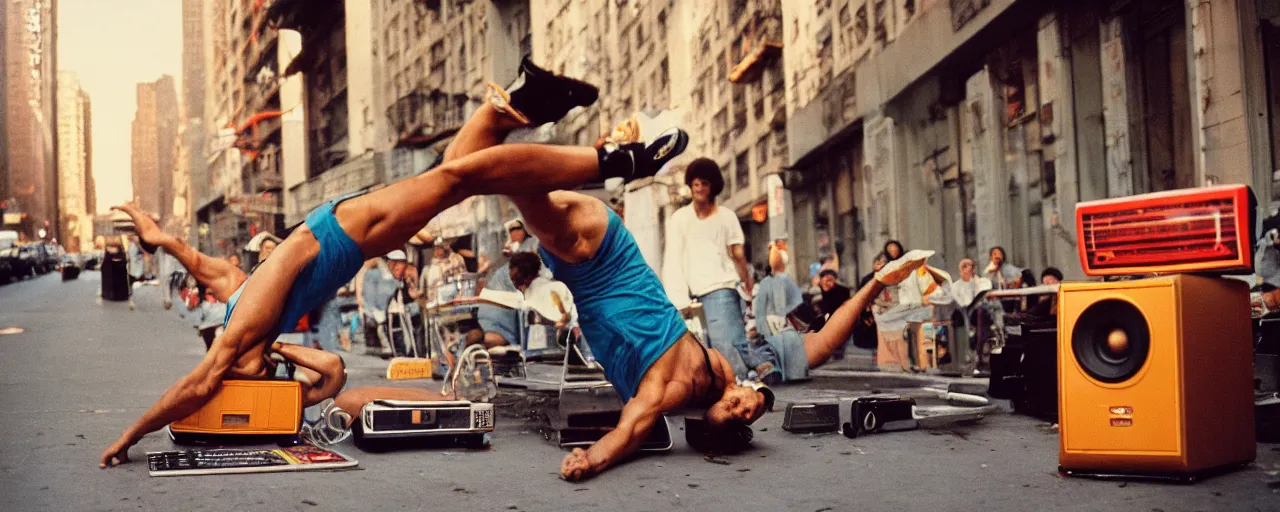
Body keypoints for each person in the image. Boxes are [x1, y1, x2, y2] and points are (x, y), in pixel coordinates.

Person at [98, 56, 683, 468]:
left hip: (346, 230)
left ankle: (615, 159)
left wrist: (133, 432)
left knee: (459, 177)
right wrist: (160, 239)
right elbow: (324, 366)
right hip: (348, 235)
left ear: (229, 369)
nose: (261, 383)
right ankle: (517, 104)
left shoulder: (239, 332)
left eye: (243, 381)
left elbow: (195, 387)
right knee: (454, 175)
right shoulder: (247, 312)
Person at [664, 158, 758, 379]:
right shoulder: (679, 219)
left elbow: (738, 255)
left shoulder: (727, 217)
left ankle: (742, 389)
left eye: (704, 183)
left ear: (713, 186)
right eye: (695, 183)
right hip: (691, 296)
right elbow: (673, 259)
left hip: (721, 290)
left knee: (728, 350)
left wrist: (747, 286)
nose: (698, 187)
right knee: (698, 355)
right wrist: (677, 298)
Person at [753, 243, 807, 382]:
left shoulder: (785, 281)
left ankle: (793, 373)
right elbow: (760, 309)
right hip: (771, 323)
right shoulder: (765, 284)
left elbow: (796, 300)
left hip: (782, 323)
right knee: (775, 346)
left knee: (789, 344)